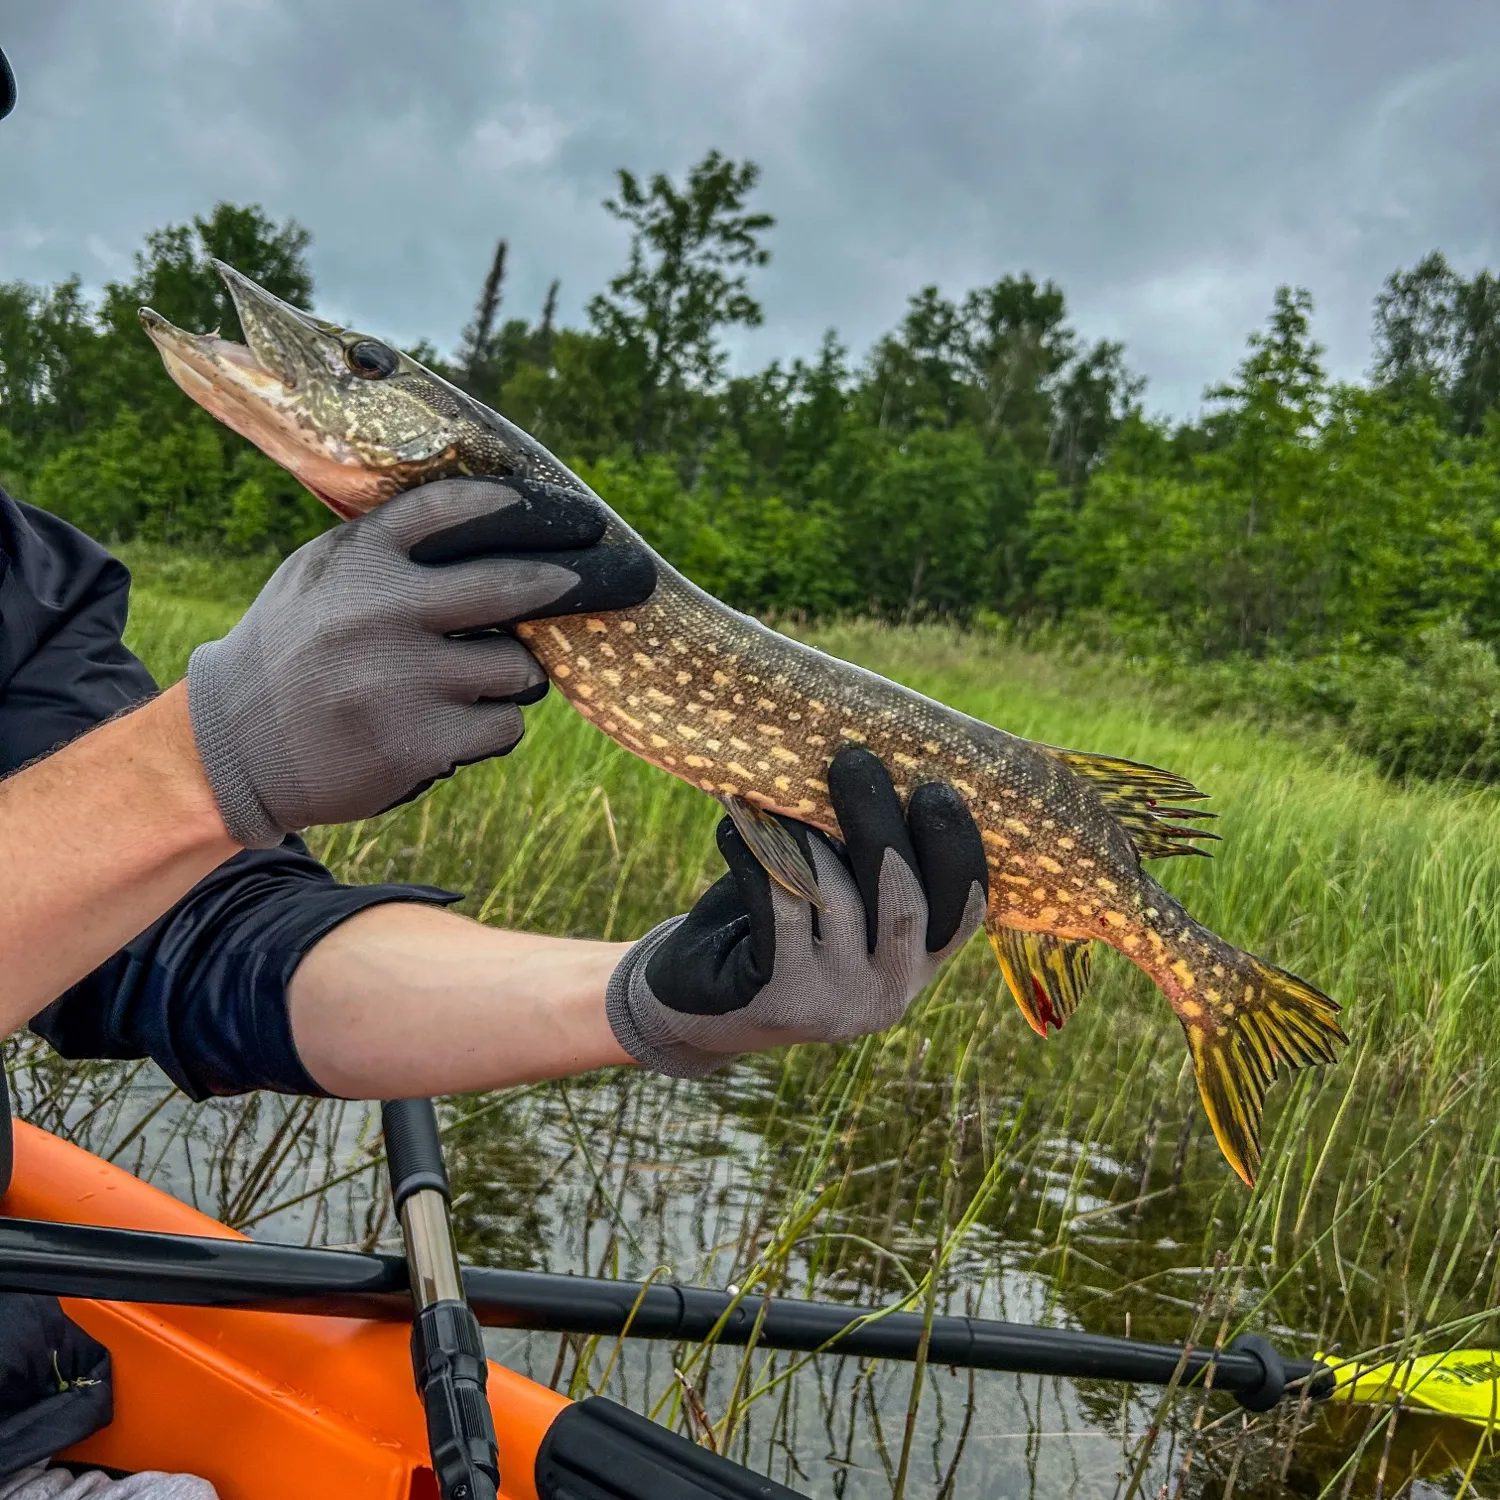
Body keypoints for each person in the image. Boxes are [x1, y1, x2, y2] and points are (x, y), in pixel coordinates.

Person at [0, 41, 990, 1495]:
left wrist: (648, 999)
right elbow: (155, 820)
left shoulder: (25, 586)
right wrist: (197, 766)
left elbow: (202, 941)